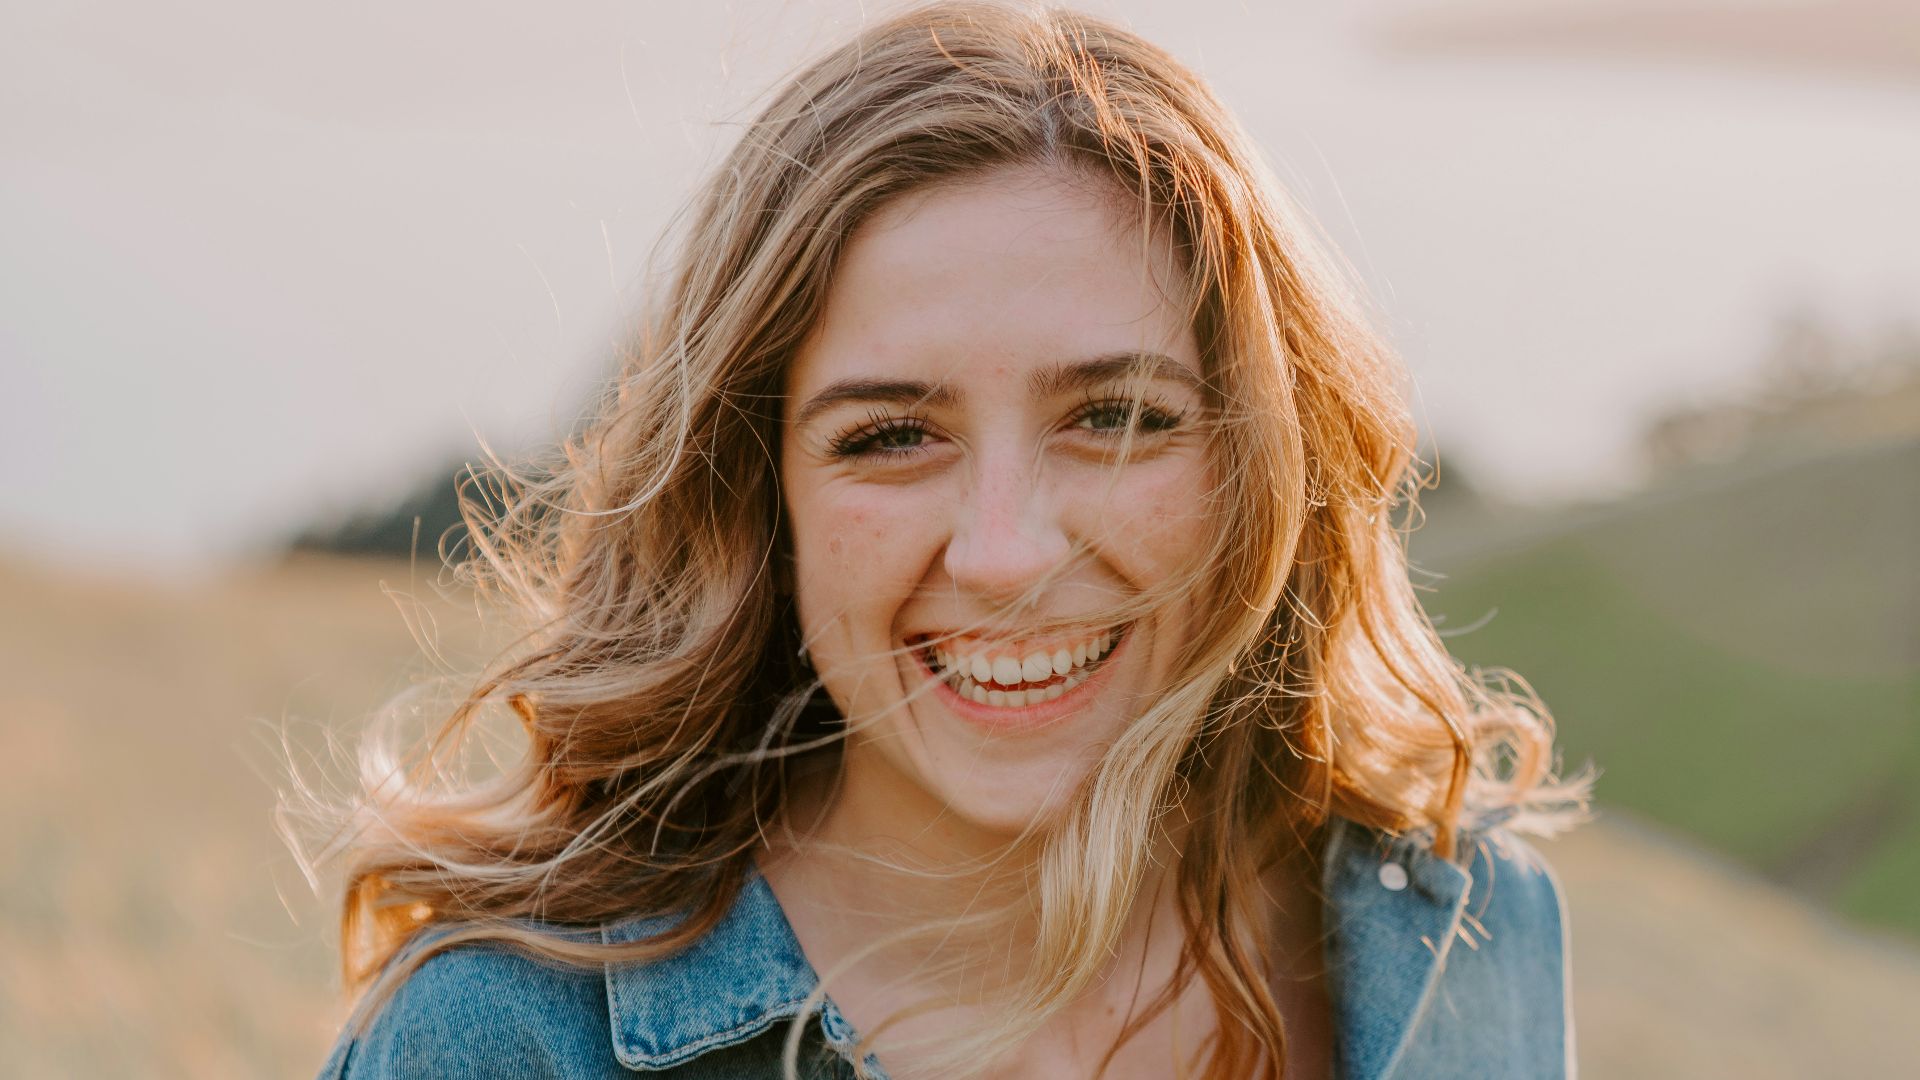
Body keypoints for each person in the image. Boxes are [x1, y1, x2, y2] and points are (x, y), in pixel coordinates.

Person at [300, 3, 1590, 1077]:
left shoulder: (1456, 937)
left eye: (1117, 417)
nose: (1006, 555)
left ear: (1258, 462)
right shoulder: (507, 1047)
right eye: (890, 437)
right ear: (761, 496)